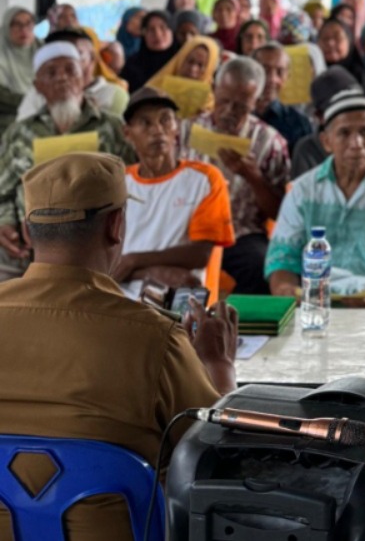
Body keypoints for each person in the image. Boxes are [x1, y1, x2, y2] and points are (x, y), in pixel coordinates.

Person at [0, 152, 237, 540]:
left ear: (28, 233)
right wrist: (218, 365)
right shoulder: (154, 339)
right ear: (116, 225)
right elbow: (218, 457)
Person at [265, 91, 365, 306]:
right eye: (344, 133)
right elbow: (283, 257)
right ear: (326, 141)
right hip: (315, 301)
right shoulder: (303, 190)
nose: (356, 143)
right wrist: (284, 289)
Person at [0, 43, 137, 279]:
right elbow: (3, 192)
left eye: (70, 70)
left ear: (85, 77)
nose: (62, 78)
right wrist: (5, 224)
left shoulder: (112, 127)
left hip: (97, 252)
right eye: (51, 73)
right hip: (30, 254)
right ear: (38, 86)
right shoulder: (19, 133)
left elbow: (134, 184)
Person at [180, 58, 290, 295]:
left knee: (262, 268)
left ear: (257, 103)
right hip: (186, 229)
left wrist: (254, 178)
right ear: (213, 90)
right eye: (224, 101)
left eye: (241, 106)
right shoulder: (185, 131)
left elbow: (280, 213)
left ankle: (238, 326)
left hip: (239, 233)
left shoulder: (271, 142)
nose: (229, 111)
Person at [119, 87, 235, 294]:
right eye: (145, 122)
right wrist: (149, 272)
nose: (157, 130)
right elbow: (103, 264)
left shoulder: (205, 179)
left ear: (177, 127)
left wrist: (132, 261)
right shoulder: (116, 183)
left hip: (180, 300)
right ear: (127, 133)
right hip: (119, 297)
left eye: (165, 120)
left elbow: (200, 254)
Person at [17, 29, 130, 121]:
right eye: (53, 68)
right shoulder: (36, 94)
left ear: (93, 59)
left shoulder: (114, 95)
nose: (62, 76)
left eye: (76, 56)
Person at [252, 42, 315, 155]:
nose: (272, 79)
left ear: (287, 77)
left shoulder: (299, 124)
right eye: (265, 70)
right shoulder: (237, 115)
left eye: (280, 72)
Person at [145, 35, 222, 116]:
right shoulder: (156, 87)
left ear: (209, 69)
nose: (193, 69)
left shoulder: (210, 104)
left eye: (200, 65)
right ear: (181, 59)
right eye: (190, 61)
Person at [0, 6, 39, 132]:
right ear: (6, 27)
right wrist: (33, 103)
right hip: (6, 118)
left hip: (41, 114)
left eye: (29, 24)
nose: (24, 30)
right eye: (17, 24)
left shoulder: (43, 50)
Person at [120, 10, 176, 91]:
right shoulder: (132, 65)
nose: (158, 34)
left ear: (172, 31)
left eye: (163, 28)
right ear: (144, 34)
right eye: (151, 29)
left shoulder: (182, 62)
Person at [317, 18, 365, 92]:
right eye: (325, 39)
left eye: (337, 37)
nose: (330, 43)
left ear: (349, 42)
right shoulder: (313, 73)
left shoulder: (360, 75)